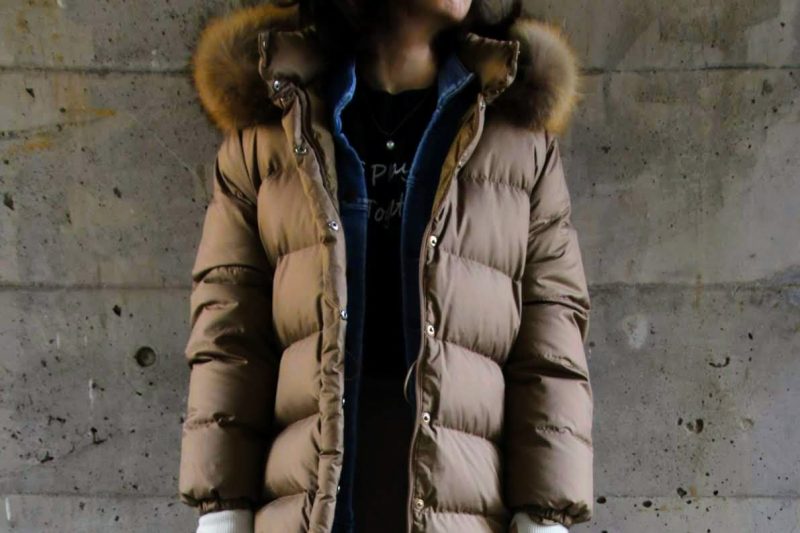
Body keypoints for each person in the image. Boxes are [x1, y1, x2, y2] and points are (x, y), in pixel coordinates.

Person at [178, 1, 594, 533]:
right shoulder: (269, 134)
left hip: (460, 504)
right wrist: (222, 509)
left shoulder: (518, 142)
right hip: (308, 502)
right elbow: (230, 332)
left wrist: (545, 515)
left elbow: (551, 338)